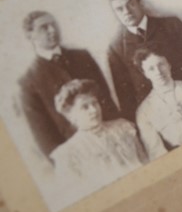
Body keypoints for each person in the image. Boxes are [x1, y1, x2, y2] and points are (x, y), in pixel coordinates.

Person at [107, 0, 182, 123]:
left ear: (140, 4)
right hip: (158, 114)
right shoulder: (116, 48)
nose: (126, 11)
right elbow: (125, 95)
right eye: (119, 9)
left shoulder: (171, 25)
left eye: (130, 4)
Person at [18, 11, 119, 158]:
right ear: (30, 36)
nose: (52, 30)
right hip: (80, 154)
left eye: (53, 24)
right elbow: (45, 136)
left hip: (113, 138)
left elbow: (106, 99)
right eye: (44, 27)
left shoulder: (82, 57)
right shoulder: (29, 82)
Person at [50, 79, 147, 202]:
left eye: (95, 103)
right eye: (85, 107)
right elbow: (78, 199)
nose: (94, 110)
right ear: (71, 115)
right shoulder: (68, 154)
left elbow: (145, 161)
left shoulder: (123, 127)